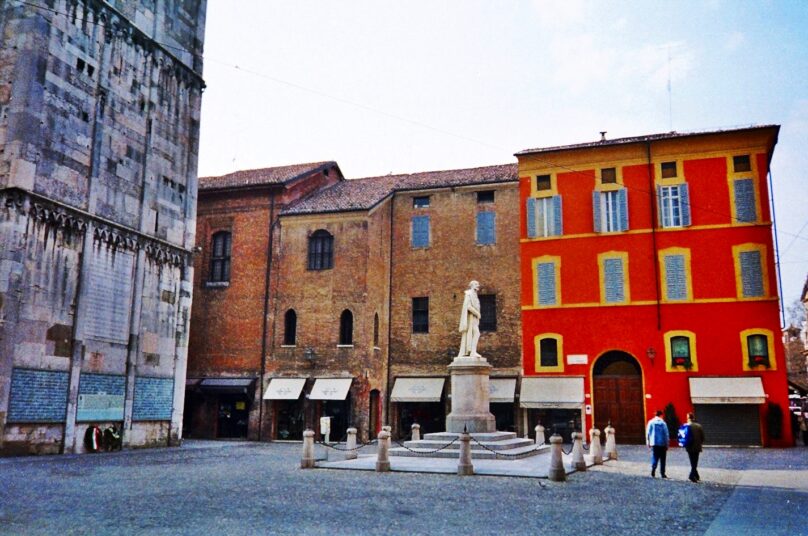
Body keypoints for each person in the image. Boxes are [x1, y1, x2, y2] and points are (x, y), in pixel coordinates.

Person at [457, 280, 482, 358]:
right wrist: (477, 313)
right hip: (471, 318)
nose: (478, 285)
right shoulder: (468, 294)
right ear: (472, 285)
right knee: (476, 333)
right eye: (476, 284)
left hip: (474, 318)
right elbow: (468, 306)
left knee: (475, 333)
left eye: (478, 284)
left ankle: (472, 351)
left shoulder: (474, 294)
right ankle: (472, 352)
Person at [646, 410, 669, 478]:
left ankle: (653, 469)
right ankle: (662, 473)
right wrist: (667, 444)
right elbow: (666, 434)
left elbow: (648, 433)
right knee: (663, 459)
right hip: (662, 444)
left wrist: (648, 443)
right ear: (661, 415)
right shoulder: (663, 423)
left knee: (655, 457)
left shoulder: (651, 422)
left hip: (654, 443)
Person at [684, 412, 705, 482]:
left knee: (692, 462)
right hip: (697, 447)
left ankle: (694, 475)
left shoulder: (686, 426)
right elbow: (702, 437)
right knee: (695, 462)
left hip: (689, 447)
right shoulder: (699, 426)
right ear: (693, 418)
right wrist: (699, 443)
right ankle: (694, 476)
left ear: (688, 418)